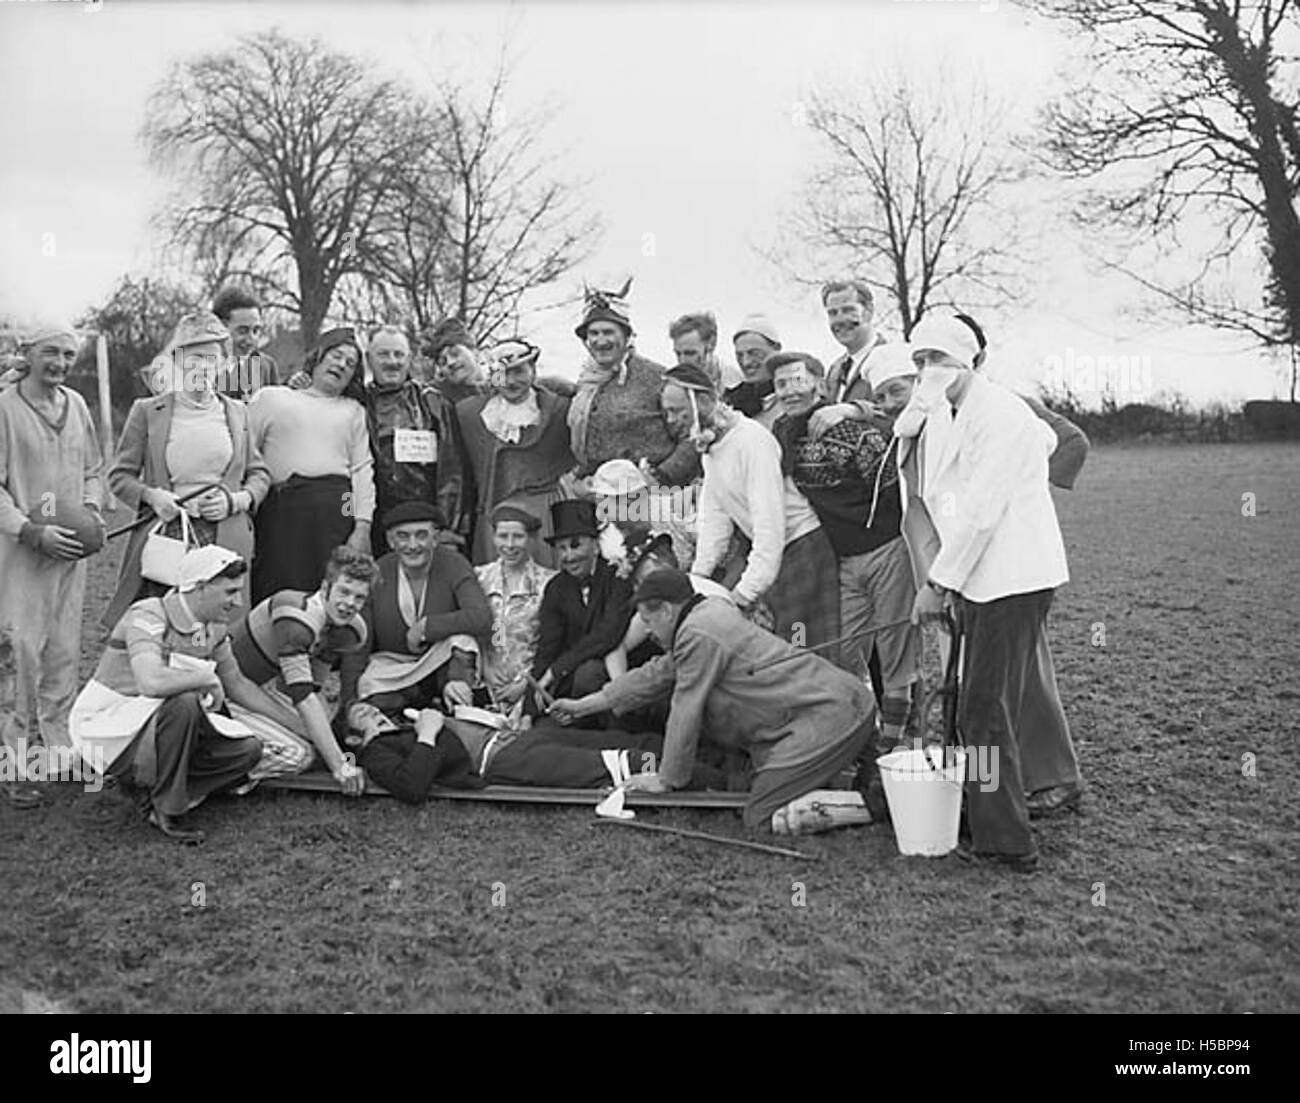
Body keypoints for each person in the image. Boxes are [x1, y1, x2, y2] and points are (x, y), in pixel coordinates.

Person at [897, 314, 1070, 872]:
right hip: (983, 577)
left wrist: (936, 584)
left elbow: (978, 514)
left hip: (1014, 578)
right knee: (981, 708)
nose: (928, 370)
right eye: (920, 360)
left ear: (968, 360)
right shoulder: (951, 412)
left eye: (939, 359)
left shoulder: (999, 413)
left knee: (983, 712)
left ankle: (1007, 842)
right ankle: (987, 817)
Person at [552, 569, 876, 833]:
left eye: (648, 622)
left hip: (831, 717)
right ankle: (839, 779)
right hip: (848, 702)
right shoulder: (706, 614)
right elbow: (652, 676)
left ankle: (873, 806)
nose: (647, 632)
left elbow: (685, 709)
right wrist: (581, 706)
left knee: (760, 817)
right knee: (760, 794)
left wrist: (667, 779)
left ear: (666, 611)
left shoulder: (698, 635)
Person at [770, 350, 920, 757]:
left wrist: (855, 410)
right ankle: (861, 734)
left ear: (818, 384)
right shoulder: (781, 434)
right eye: (781, 384)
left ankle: (895, 743)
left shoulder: (852, 429)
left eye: (797, 381)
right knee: (845, 650)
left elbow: (892, 486)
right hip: (841, 558)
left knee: (895, 645)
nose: (788, 390)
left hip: (885, 548)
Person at [68, 548, 267, 843]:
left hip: (160, 725)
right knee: (185, 702)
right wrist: (203, 677)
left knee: (247, 751)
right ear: (200, 587)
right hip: (110, 724)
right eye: (230, 592)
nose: (237, 602)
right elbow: (150, 681)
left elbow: (237, 684)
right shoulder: (149, 613)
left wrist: (300, 726)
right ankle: (167, 808)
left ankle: (152, 787)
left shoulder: (214, 625)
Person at [103, 312, 271, 630]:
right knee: (161, 626)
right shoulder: (148, 412)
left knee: (215, 631)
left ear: (224, 364)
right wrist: (153, 496)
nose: (202, 367)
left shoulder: (238, 413)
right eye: (193, 358)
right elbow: (119, 477)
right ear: (178, 362)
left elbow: (259, 475)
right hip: (169, 537)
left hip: (223, 536)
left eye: (211, 359)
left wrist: (236, 501)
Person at [660, 364, 841, 661]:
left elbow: (770, 526)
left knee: (802, 648)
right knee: (781, 649)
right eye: (667, 412)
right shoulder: (712, 445)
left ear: (703, 401)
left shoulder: (751, 441)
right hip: (774, 556)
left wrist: (743, 594)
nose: (672, 420)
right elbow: (715, 519)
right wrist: (698, 577)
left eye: (678, 411)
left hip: (801, 551)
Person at [0, 323, 105, 808]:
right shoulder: (5, 407)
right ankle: (15, 764)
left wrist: (91, 512)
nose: (60, 363)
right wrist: (29, 529)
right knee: (20, 652)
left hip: (70, 553)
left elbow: (93, 470)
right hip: (21, 550)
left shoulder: (77, 404)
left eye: (67, 354)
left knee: (64, 650)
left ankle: (58, 751)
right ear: (26, 353)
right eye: (50, 353)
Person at [228, 545, 373, 795]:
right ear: (326, 588)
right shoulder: (296, 617)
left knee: (317, 738)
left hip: (268, 687)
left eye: (358, 597)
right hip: (226, 689)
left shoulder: (346, 629)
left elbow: (312, 688)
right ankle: (211, 771)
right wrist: (339, 765)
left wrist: (328, 744)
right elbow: (302, 698)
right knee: (300, 754)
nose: (349, 604)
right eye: (344, 592)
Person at [247, 327, 375, 602]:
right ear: (318, 356)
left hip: (339, 502)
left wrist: (361, 526)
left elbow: (361, 471)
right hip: (281, 509)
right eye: (336, 355)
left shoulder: (353, 411)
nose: (341, 364)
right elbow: (246, 454)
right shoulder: (273, 398)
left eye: (350, 363)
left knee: (330, 591)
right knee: (276, 592)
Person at [338, 501, 492, 718]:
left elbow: (483, 618)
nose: (412, 545)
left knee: (463, 642)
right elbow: (358, 644)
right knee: (370, 694)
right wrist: (349, 704)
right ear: (391, 541)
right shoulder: (378, 572)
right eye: (403, 536)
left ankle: (459, 712)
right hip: (394, 667)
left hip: (440, 664)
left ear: (435, 538)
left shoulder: (454, 564)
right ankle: (411, 706)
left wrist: (427, 627)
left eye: (421, 535)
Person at [348, 702, 666, 797]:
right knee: (614, 763)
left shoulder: (405, 722)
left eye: (372, 707)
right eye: (363, 715)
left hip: (514, 738)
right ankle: (701, 776)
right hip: (501, 760)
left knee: (618, 739)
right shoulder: (377, 752)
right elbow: (411, 785)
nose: (374, 712)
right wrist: (428, 734)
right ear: (353, 739)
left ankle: (688, 753)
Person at [456, 338, 576, 567]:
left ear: (533, 370)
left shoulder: (558, 409)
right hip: (495, 513)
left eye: (519, 371)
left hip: (545, 514)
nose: (511, 381)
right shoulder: (469, 414)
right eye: (502, 373)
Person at [568, 282, 700, 488]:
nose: (600, 341)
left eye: (608, 332)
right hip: (603, 499)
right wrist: (582, 481)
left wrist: (658, 478)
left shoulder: (658, 378)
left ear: (627, 337)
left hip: (656, 500)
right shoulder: (586, 386)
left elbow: (692, 437)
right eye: (593, 333)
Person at [360, 325, 471, 557]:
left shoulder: (433, 403)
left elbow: (453, 472)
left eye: (399, 354)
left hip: (427, 526)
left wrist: (448, 527)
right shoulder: (356, 404)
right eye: (383, 354)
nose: (392, 361)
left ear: (409, 359)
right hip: (373, 527)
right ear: (368, 359)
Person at [531, 499, 633, 713]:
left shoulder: (618, 576)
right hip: (570, 679)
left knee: (590, 672)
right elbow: (547, 647)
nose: (569, 556)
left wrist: (557, 669)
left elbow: (609, 634)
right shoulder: (556, 587)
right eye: (561, 548)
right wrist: (528, 709)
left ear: (596, 546)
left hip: (617, 673)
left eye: (576, 545)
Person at [473, 502, 557, 708]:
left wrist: (526, 684)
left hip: (531, 688)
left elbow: (554, 643)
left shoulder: (549, 583)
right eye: (502, 536)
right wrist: (484, 666)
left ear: (532, 539)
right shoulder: (478, 578)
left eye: (518, 537)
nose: (509, 545)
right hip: (485, 684)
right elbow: (473, 630)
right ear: (493, 537)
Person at [816, 278, 887, 439]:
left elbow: (901, 415)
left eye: (848, 310)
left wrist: (854, 410)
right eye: (833, 313)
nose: (840, 319)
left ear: (869, 311)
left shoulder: (892, 360)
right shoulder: (835, 369)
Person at [211, 286, 279, 399]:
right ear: (220, 328)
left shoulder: (267, 366)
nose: (251, 338)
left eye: (256, 330)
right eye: (243, 331)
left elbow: (275, 410)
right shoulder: (199, 366)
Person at [725, 314, 782, 427]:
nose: (746, 362)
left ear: (777, 349)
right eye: (740, 355)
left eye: (755, 353)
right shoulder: (733, 398)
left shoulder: (798, 386)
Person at [669, 311, 742, 393]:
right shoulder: (670, 386)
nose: (682, 361)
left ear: (711, 345)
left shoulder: (737, 382)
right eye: (678, 354)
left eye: (690, 353)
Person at [424, 318, 486, 405]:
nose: (450, 363)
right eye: (443, 362)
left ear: (474, 352)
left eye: (455, 353)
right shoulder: (438, 396)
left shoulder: (498, 380)